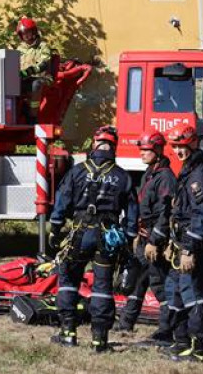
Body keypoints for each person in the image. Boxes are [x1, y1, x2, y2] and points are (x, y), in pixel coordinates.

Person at [48, 126, 138, 353]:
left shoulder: (77, 172)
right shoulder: (122, 176)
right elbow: (132, 212)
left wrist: (55, 230)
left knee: (68, 280)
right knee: (102, 287)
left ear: (94, 145)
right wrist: (128, 239)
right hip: (107, 239)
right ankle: (100, 341)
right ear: (113, 147)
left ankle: (68, 333)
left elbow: (62, 202)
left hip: (78, 235)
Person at [161, 124, 203, 363]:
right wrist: (172, 243)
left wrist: (188, 250)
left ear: (193, 143)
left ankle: (199, 350)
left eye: (182, 146)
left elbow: (201, 216)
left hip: (194, 246)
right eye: (175, 146)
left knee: (194, 295)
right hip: (181, 242)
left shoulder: (199, 174)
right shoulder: (188, 170)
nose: (178, 150)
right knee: (176, 294)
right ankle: (182, 343)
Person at [116, 130, 176, 342]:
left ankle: (167, 330)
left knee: (159, 283)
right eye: (141, 149)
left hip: (154, 240)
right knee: (137, 280)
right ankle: (125, 323)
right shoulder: (150, 174)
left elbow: (165, 212)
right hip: (143, 238)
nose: (141, 153)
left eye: (146, 150)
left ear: (158, 150)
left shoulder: (165, 178)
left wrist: (155, 241)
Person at [15, 17, 53, 122]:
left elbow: (45, 63)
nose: (26, 35)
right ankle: (15, 112)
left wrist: (31, 71)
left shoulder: (42, 46)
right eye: (23, 33)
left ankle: (33, 115)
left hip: (43, 78)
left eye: (28, 32)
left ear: (34, 32)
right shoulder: (19, 49)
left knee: (36, 84)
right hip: (25, 78)